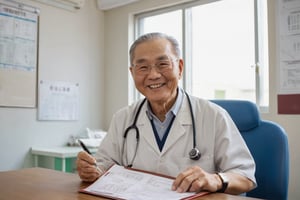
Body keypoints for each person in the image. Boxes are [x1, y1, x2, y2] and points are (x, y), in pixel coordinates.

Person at [76, 32, 256, 194]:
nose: (153, 75)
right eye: (143, 67)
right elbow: (103, 166)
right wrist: (91, 170)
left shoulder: (214, 116)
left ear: (180, 67)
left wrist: (216, 179)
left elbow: (245, 177)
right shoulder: (123, 118)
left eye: (162, 64)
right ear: (132, 73)